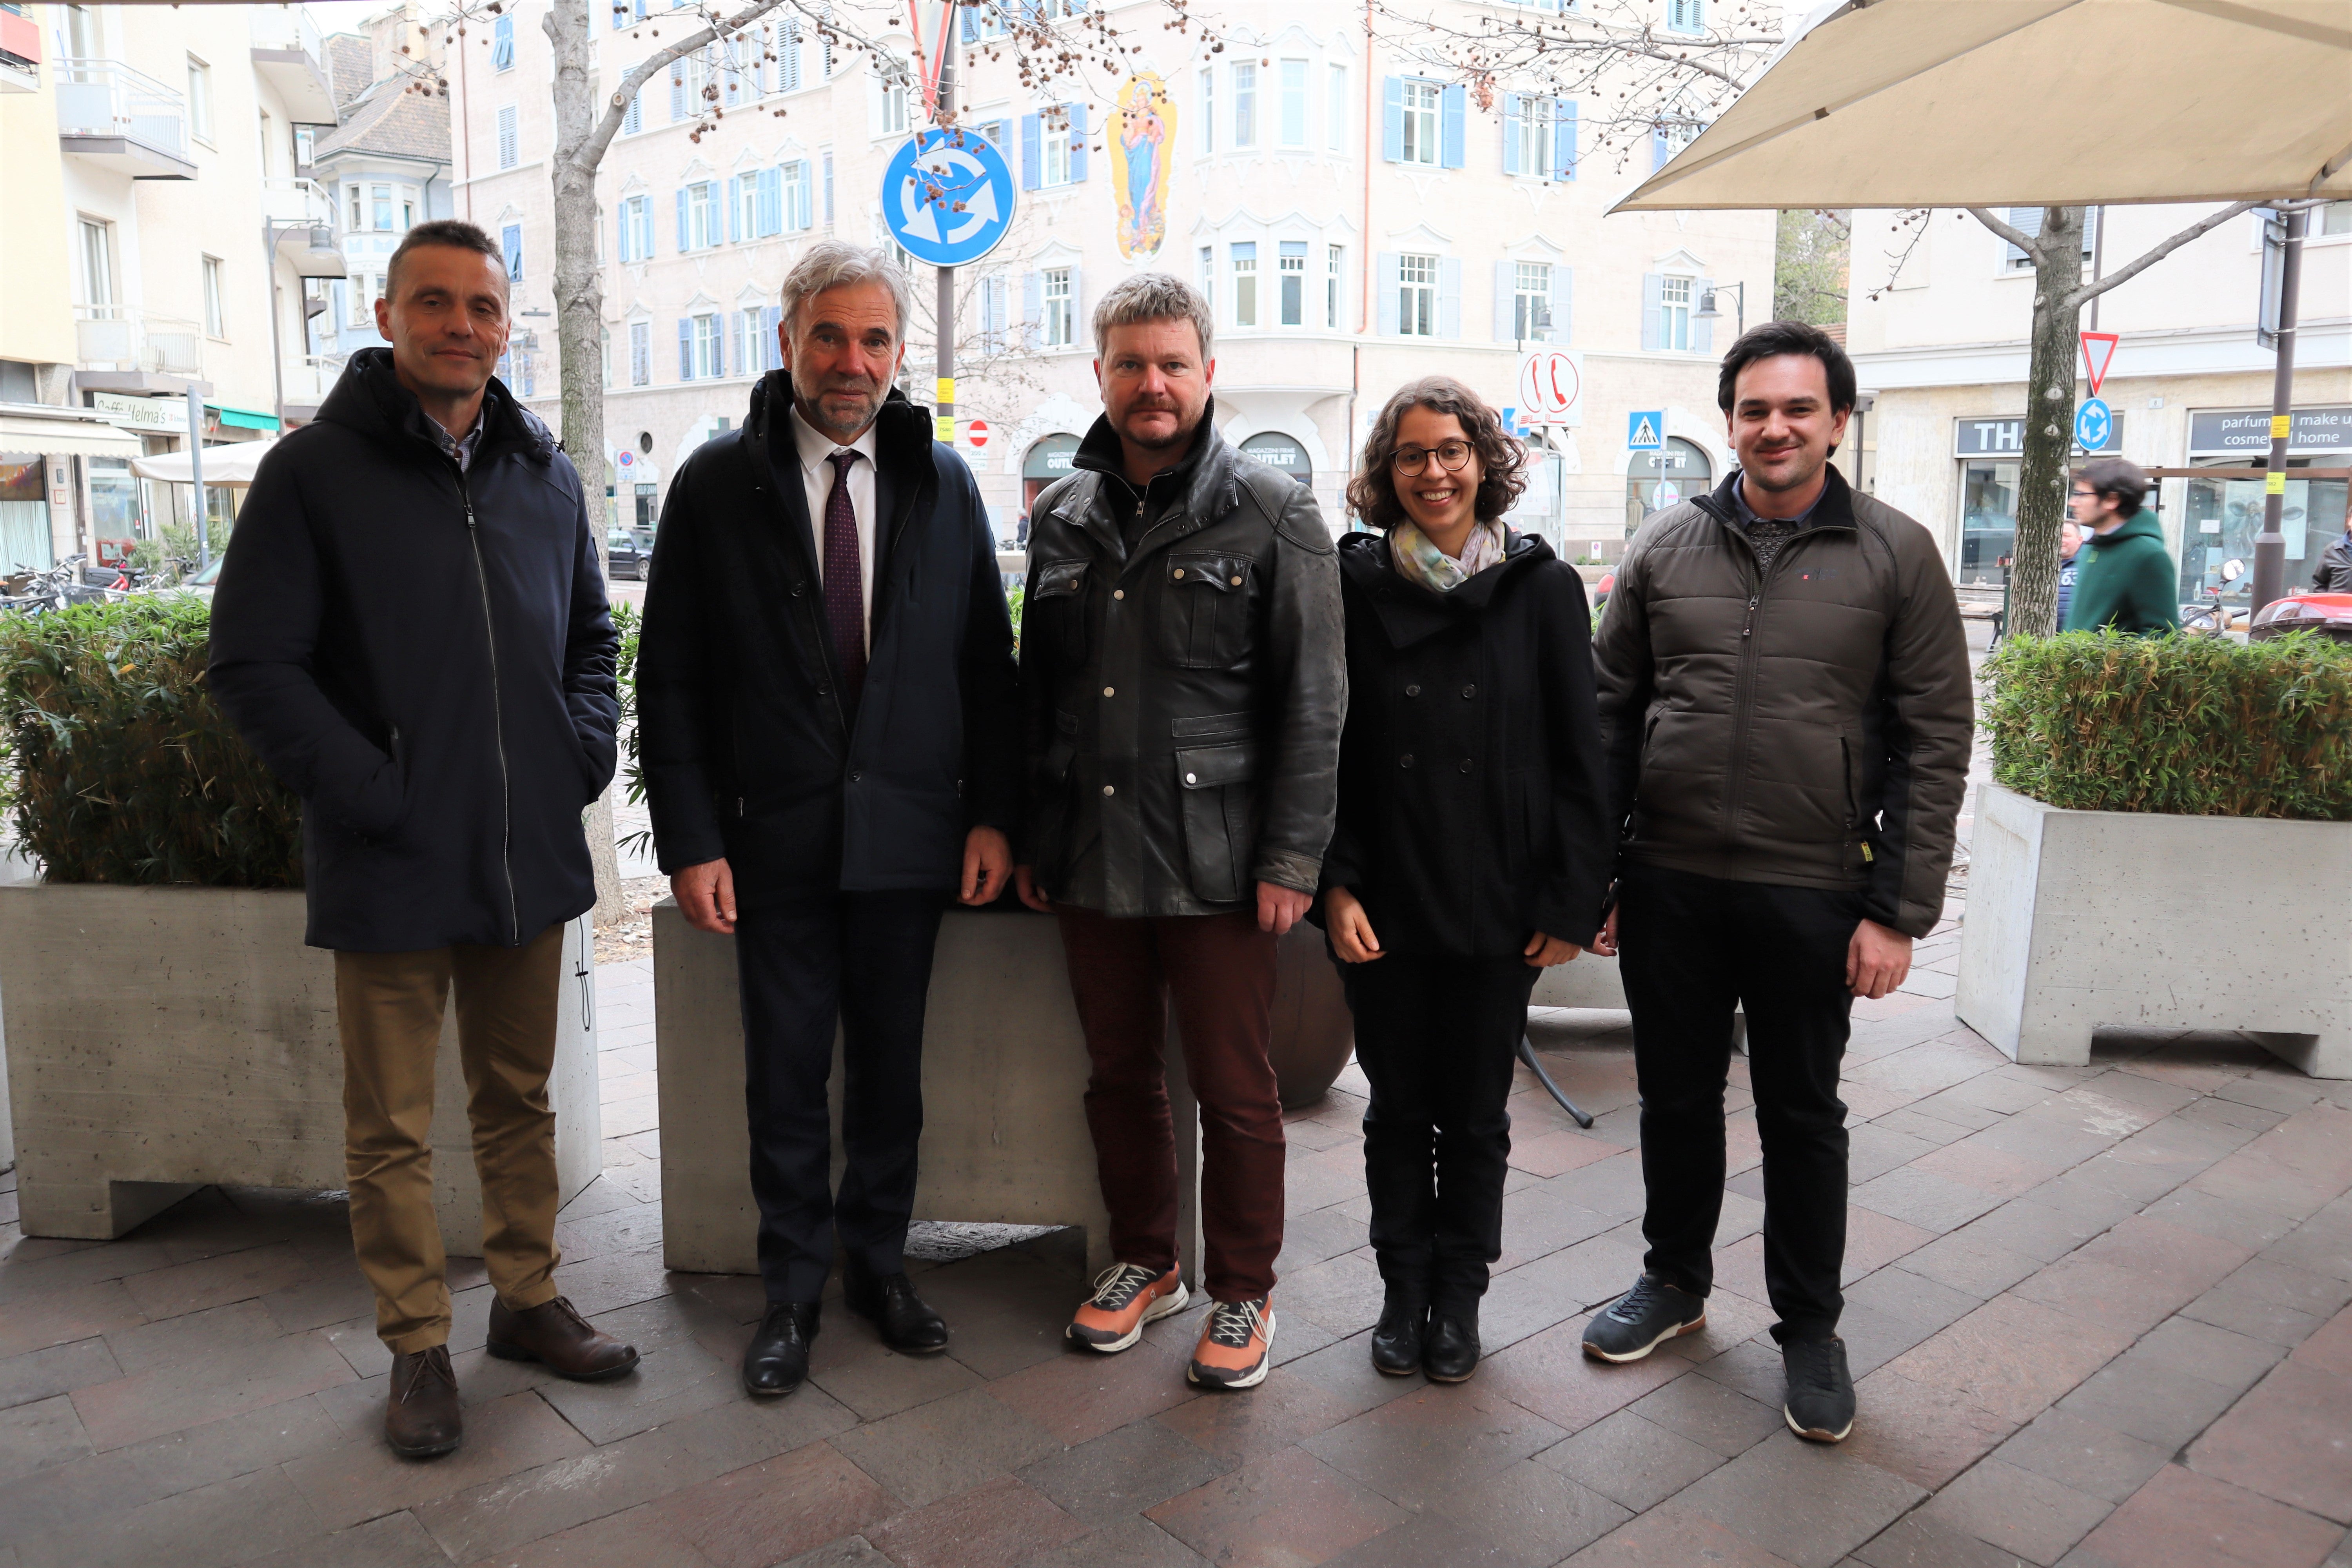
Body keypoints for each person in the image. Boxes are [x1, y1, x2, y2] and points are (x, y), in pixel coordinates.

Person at [209, 219, 637, 1460]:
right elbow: (250, 664)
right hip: (389, 853)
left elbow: (590, 647)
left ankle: (526, 1298)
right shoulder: (311, 474)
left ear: (509, 326)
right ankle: (414, 1345)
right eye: (436, 303)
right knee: (389, 1125)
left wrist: (579, 749)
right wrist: (375, 791)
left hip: (524, 853)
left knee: (518, 1100)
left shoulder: (546, 476)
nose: (463, 325)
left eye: (484, 307)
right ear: (389, 314)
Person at [635, 243, 1020, 1398]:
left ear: (899, 354)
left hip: (908, 843)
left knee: (891, 1076)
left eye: (874, 340)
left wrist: (992, 817)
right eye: (828, 336)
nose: (851, 362)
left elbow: (983, 667)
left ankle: (876, 1267)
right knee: (786, 1077)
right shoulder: (714, 486)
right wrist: (693, 836)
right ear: (788, 340)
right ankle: (791, 1289)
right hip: (774, 846)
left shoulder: (943, 484)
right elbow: (672, 679)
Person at [1583, 321, 1971, 1445]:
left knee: (1802, 1114)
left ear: (1837, 422)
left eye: (1799, 408)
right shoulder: (1664, 548)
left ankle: (1810, 1326)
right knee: (1673, 1100)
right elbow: (1609, 724)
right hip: (1670, 881)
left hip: (1813, 889)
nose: (1776, 427)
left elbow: (1934, 737)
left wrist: (1899, 911)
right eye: (1755, 409)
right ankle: (1674, 1281)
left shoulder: (1896, 556)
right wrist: (1602, 878)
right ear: (1731, 422)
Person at [1014, 272, 1344, 1392]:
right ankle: (1146, 1263)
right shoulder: (1059, 513)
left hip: (1220, 858)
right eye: (1129, 364)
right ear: (1099, 375)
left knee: (1235, 1086)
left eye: (1171, 364)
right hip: (1092, 850)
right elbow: (1037, 694)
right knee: (1117, 1075)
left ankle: (1243, 1288)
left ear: (1211, 373)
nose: (1151, 385)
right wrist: (1030, 833)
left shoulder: (1274, 508)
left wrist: (1293, 859)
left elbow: (1314, 701)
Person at [1319, 377, 1609, 1384]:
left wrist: (1572, 900)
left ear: (1485, 460)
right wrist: (1335, 885)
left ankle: (1461, 1296)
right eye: (1410, 454)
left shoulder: (1543, 588)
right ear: (1384, 472)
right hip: (1385, 899)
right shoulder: (1349, 584)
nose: (1433, 471)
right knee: (1397, 1108)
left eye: (1451, 450)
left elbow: (1585, 756)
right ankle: (1403, 1290)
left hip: (1501, 903)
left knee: (1477, 1114)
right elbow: (1331, 749)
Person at [2064, 458, 2178, 634]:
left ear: (2112, 500)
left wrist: (2105, 661)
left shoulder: (2148, 555)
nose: (2073, 502)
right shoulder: (2090, 548)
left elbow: (2161, 636)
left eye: (2082, 495)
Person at [2055, 518, 2085, 630]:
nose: (2061, 540)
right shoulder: (2042, 567)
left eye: (2066, 536)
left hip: (2077, 637)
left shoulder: (2088, 564)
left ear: (2080, 540)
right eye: (2058, 535)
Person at [2309, 515, 2352, 593]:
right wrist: (2324, 604)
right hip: (2337, 604)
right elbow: (2319, 583)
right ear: (2349, 521)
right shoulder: (2332, 550)